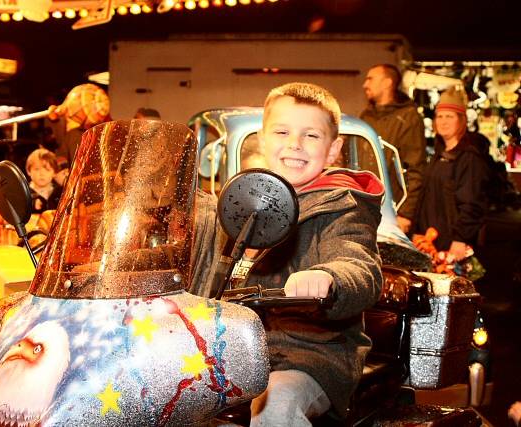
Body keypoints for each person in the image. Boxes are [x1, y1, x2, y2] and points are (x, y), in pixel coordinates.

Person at [191, 82, 384, 425]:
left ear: (333, 149)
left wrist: (329, 278)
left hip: (306, 354)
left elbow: (358, 262)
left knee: (276, 402)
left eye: (311, 135)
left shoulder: (341, 206)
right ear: (263, 139)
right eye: (282, 131)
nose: (295, 143)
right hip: (222, 349)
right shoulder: (237, 202)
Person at [414, 87, 490, 259]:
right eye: (439, 116)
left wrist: (460, 239)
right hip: (429, 241)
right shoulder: (438, 155)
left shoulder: (469, 158)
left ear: (461, 121)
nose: (443, 121)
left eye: (450, 116)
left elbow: (472, 203)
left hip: (451, 245)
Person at [360, 64, 426, 234]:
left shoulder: (408, 117)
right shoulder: (366, 116)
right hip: (363, 209)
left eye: (370, 79)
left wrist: (406, 214)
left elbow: (415, 169)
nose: (364, 85)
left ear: (387, 83)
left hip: (392, 214)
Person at [26, 148, 62, 213]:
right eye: (37, 169)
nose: (42, 174)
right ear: (29, 171)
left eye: (47, 170)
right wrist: (32, 204)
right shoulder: (25, 193)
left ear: (55, 172)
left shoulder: (60, 192)